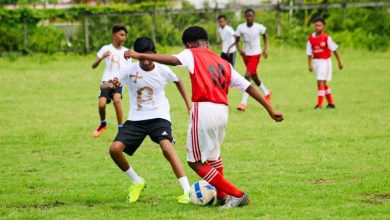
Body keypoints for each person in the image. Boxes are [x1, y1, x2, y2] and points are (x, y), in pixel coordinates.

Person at [123, 26, 284, 209]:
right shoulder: (223, 62)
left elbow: (173, 60)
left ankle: (237, 194)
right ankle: (222, 196)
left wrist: (140, 55)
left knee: (195, 162)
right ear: (206, 41)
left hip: (204, 109)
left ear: (189, 44)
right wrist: (269, 108)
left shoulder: (192, 53)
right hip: (222, 111)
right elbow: (248, 87)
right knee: (214, 157)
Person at [101, 37, 192, 204]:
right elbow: (105, 86)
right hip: (136, 119)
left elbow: (179, 82)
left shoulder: (163, 70)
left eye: (150, 57)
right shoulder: (129, 69)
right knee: (114, 149)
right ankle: (137, 181)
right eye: (142, 58)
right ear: (136, 56)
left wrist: (188, 105)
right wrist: (108, 85)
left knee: (166, 147)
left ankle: (187, 191)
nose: (147, 61)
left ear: (155, 55)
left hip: (159, 116)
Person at [91, 24, 131, 137]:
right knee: (102, 104)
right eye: (121, 35)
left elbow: (129, 69)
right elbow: (93, 66)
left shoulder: (127, 52)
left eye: (125, 35)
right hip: (106, 81)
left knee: (117, 100)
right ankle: (103, 123)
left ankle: (120, 128)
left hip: (119, 81)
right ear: (114, 35)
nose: (124, 37)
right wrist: (102, 57)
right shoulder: (106, 48)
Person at [232, 8, 272, 111]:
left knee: (247, 75)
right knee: (254, 76)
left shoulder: (259, 27)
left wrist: (265, 49)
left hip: (256, 54)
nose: (249, 17)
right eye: (247, 16)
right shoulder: (241, 28)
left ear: (254, 16)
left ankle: (243, 103)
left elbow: (265, 37)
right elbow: (236, 41)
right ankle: (266, 93)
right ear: (245, 17)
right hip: (246, 55)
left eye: (251, 16)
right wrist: (240, 49)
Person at [307, 18, 344, 109]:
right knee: (323, 83)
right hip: (316, 62)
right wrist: (309, 64)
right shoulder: (310, 38)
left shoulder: (326, 38)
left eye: (319, 26)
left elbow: (334, 50)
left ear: (323, 27)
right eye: (316, 25)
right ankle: (331, 103)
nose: (317, 27)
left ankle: (319, 105)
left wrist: (340, 61)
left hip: (325, 62)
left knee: (320, 81)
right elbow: (309, 52)